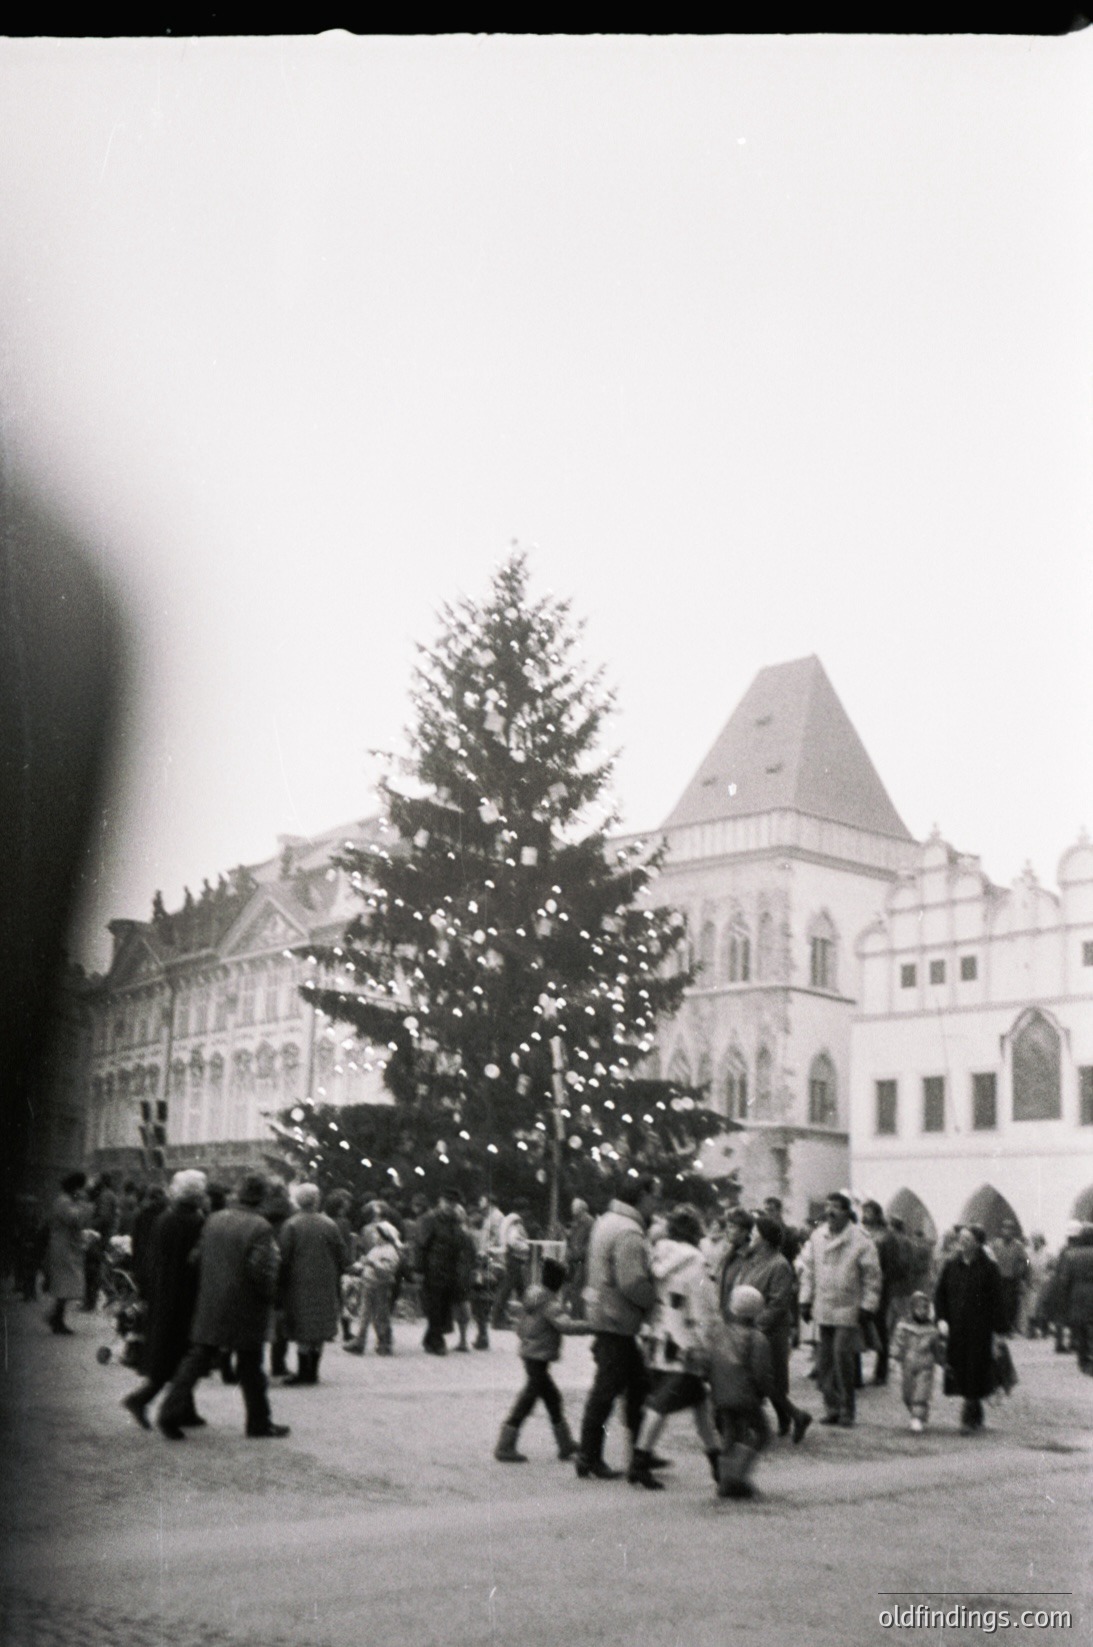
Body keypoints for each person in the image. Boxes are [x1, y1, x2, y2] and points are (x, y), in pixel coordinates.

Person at [156, 1172, 288, 1440]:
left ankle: (169, 1413)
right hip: (246, 1306)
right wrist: (271, 1297)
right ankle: (258, 1422)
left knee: (196, 1359)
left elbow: (195, 1258)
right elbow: (262, 1270)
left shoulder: (214, 1219)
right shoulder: (260, 1227)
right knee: (251, 1365)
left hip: (212, 1301)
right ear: (261, 1197)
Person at [574, 1172, 660, 1482]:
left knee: (636, 1386)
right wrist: (654, 1299)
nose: (657, 1202)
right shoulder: (629, 1232)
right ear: (642, 1197)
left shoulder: (607, 1220)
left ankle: (641, 1451)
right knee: (608, 1390)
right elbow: (632, 1281)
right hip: (617, 1319)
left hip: (604, 1313)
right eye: (655, 1196)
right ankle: (590, 1455)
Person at [630, 1204, 720, 1490]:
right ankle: (640, 1462)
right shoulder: (696, 1261)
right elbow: (704, 1305)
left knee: (698, 1404)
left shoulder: (659, 1255)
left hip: (661, 1339)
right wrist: (708, 1341)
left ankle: (718, 1464)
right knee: (664, 1404)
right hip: (687, 1342)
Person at [121, 1170, 207, 1430]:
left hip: (163, 1293)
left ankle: (186, 1408)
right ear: (197, 1194)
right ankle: (141, 1399)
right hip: (184, 1295)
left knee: (176, 1350)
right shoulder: (194, 1221)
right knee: (182, 1354)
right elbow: (196, 1262)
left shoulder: (166, 1218)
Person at [493, 1257, 591, 1463]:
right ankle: (505, 1445)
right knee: (529, 1399)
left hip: (530, 1353)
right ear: (558, 1282)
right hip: (540, 1356)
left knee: (551, 1397)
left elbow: (520, 1328)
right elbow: (566, 1326)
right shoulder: (550, 1302)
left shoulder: (532, 1294)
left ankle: (565, 1444)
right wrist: (591, 1326)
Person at [797, 1191, 882, 1428]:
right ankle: (831, 1407)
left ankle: (847, 1409)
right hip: (824, 1308)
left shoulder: (861, 1240)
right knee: (824, 1362)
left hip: (848, 1308)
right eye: (827, 1206)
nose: (830, 1212)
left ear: (847, 1212)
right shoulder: (817, 1237)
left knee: (842, 1358)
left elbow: (872, 1277)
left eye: (836, 1207)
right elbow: (809, 1271)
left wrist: (868, 1305)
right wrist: (805, 1300)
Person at [731, 1214, 811, 1444]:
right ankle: (790, 1418)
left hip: (769, 1332)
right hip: (751, 1328)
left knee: (768, 1379)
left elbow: (778, 1303)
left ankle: (787, 1419)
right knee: (764, 1379)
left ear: (765, 1240)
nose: (751, 1237)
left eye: (755, 1234)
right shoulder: (753, 1260)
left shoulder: (779, 1265)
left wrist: (756, 1326)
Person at [934, 1224, 1006, 1433]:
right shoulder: (951, 1265)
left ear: (978, 1243)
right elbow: (940, 1294)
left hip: (980, 1328)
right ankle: (975, 1408)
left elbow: (997, 1300)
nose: (962, 1242)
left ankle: (968, 1413)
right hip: (955, 1326)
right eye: (961, 1238)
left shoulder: (989, 1268)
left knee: (975, 1367)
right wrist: (940, 1318)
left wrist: (999, 1331)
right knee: (959, 1366)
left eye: (968, 1239)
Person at [707, 1284, 775, 1500]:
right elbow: (761, 1374)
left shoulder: (718, 1333)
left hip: (720, 1395)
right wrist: (765, 1393)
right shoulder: (757, 1338)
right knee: (762, 1433)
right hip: (746, 1396)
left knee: (729, 1436)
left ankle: (725, 1481)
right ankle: (737, 1477)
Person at [277, 1183, 348, 1385]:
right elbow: (342, 1253)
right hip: (325, 1281)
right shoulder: (329, 1224)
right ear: (317, 1200)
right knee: (318, 1328)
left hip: (298, 1283)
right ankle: (313, 1371)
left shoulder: (291, 1225)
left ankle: (303, 1372)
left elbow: (284, 1256)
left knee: (303, 1329)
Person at [415, 1188, 468, 1355]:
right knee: (435, 1306)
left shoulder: (454, 1221)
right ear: (440, 1201)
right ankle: (438, 1342)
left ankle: (430, 1339)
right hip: (433, 1269)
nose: (450, 1206)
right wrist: (418, 1270)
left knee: (444, 1306)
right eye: (447, 1202)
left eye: (453, 1203)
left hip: (450, 1270)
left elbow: (459, 1243)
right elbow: (421, 1246)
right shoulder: (430, 1219)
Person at [860, 1200, 906, 1385]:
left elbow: (892, 1265)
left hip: (880, 1288)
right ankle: (856, 1375)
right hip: (860, 1286)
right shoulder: (861, 1232)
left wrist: (880, 1281)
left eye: (869, 1211)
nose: (866, 1214)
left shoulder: (887, 1237)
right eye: (864, 1211)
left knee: (880, 1328)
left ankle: (881, 1371)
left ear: (877, 1214)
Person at [343, 1218, 402, 1355]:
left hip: (380, 1286)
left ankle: (384, 1343)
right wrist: (356, 1267)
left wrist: (372, 1264)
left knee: (380, 1315)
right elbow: (366, 1262)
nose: (374, 1236)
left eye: (377, 1234)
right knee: (364, 1313)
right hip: (368, 1284)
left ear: (385, 1236)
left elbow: (388, 1269)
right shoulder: (376, 1249)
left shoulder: (390, 1251)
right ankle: (360, 1341)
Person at [891, 1290, 945, 1432]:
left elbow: (937, 1348)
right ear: (912, 1308)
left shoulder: (932, 1329)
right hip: (907, 1364)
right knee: (907, 1394)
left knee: (921, 1393)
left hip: (926, 1365)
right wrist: (894, 1357)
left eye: (925, 1308)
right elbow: (898, 1342)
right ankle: (918, 1412)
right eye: (919, 1308)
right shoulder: (904, 1326)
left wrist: (942, 1361)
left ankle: (917, 1417)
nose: (922, 1311)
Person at [45, 1171, 88, 1335]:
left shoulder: (66, 1200)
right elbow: (74, 1220)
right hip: (63, 1248)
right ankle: (56, 1320)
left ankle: (56, 1318)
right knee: (66, 1285)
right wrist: (82, 1204)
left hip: (66, 1247)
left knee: (66, 1285)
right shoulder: (64, 1201)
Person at [1052, 1221, 1093, 1374]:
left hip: (1077, 1296)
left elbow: (1064, 1281)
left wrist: (1063, 1300)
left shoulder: (1071, 1255)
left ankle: (1083, 1361)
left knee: (1080, 1329)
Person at [491, 1200, 531, 1329]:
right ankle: (497, 1320)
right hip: (515, 1258)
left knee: (520, 1290)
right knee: (508, 1290)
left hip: (510, 1258)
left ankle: (528, 1317)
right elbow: (513, 1241)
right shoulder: (516, 1223)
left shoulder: (508, 1220)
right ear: (522, 1211)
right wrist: (525, 1247)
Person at [990, 1219, 1029, 1337]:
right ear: (1002, 1230)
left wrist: (1022, 1272)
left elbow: (1026, 1261)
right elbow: (991, 1259)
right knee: (999, 1303)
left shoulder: (1018, 1246)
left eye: (1010, 1229)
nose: (1007, 1232)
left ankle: (1009, 1328)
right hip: (999, 1278)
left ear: (1013, 1231)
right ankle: (1000, 1327)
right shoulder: (996, 1244)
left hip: (1012, 1279)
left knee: (1011, 1304)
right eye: (1005, 1229)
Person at [564, 1197, 594, 1318]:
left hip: (583, 1259)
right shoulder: (577, 1221)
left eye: (574, 1207)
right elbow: (572, 1239)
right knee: (573, 1286)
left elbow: (590, 1242)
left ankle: (577, 1315)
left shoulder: (589, 1222)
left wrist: (578, 1253)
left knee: (578, 1286)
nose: (572, 1210)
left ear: (581, 1209)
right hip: (574, 1258)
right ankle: (576, 1314)